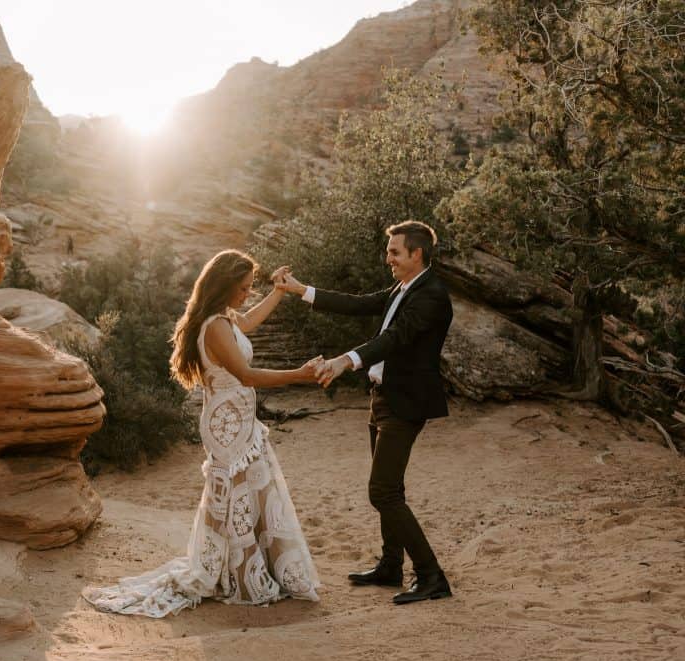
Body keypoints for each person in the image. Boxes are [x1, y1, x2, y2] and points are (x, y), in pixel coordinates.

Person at [82, 249, 323, 617]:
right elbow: (246, 375)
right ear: (224, 286)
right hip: (226, 424)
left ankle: (248, 569)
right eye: (242, 289)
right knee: (237, 493)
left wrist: (279, 291)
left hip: (239, 419)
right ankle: (237, 575)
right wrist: (300, 375)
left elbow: (249, 321)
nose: (246, 295)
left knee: (251, 491)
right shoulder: (214, 326)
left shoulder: (224, 318)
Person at [276, 220, 454, 605]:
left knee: (383, 491)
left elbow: (395, 338)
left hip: (405, 404)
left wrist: (345, 361)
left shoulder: (432, 295)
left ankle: (431, 576)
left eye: (394, 251)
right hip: (383, 398)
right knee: (391, 488)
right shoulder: (403, 288)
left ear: (416, 253)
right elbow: (357, 304)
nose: (387, 257)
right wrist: (300, 290)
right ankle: (391, 566)